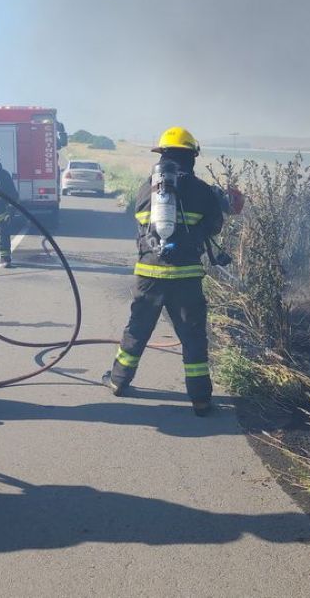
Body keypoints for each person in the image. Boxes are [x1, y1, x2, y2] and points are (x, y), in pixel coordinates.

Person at [103, 126, 224, 416]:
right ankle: (201, 399)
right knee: (193, 336)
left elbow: (140, 226)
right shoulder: (202, 190)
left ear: (163, 155)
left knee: (137, 330)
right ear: (191, 156)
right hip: (186, 278)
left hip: (148, 275)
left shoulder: (146, 188)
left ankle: (118, 381)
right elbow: (215, 227)